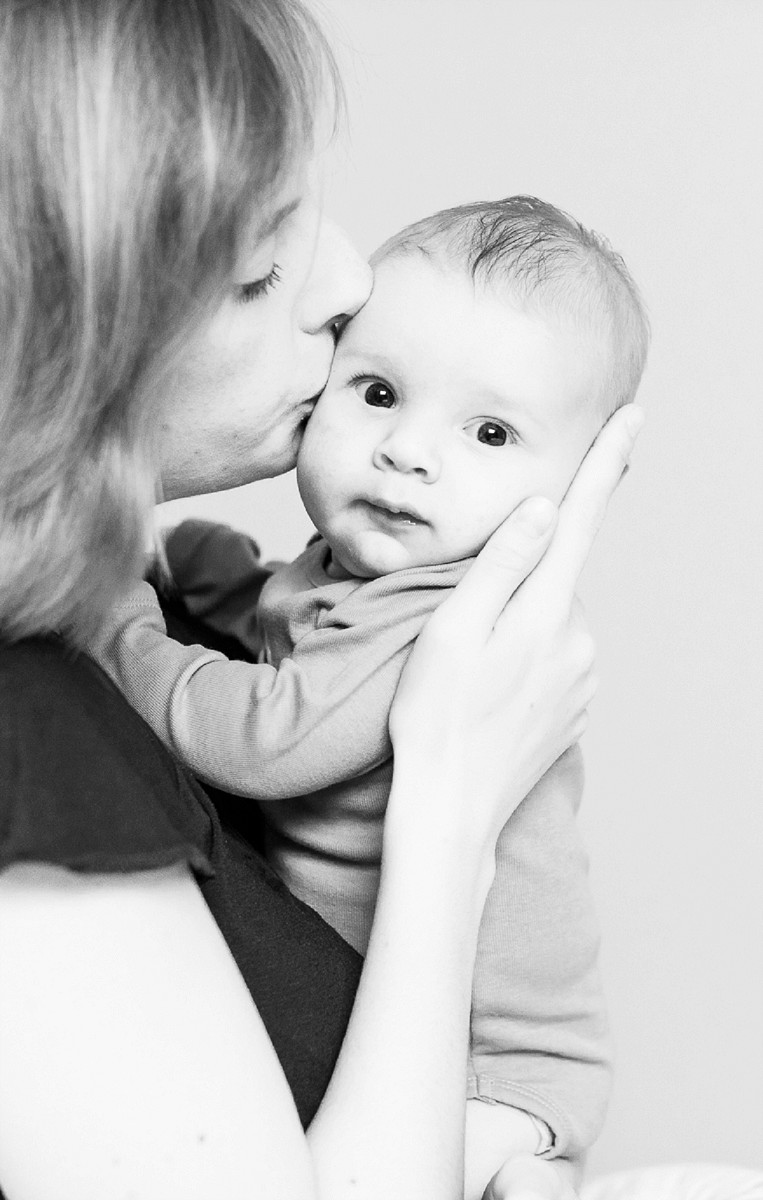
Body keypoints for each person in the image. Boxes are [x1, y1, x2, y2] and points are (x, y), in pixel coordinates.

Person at [0, 2, 643, 1198]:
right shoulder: (34, 728)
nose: (347, 285)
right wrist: (451, 799)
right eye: (258, 270)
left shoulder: (355, 607)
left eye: (492, 429)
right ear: (60, 340)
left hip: (515, 1082)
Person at [91, 195, 649, 1170]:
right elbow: (291, 619)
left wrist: (127, 626)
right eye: (379, 393)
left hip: (497, 1069)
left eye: (488, 434)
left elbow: (263, 737)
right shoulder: (361, 573)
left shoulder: (436, 616)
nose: (408, 452)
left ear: (576, 480)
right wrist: (218, 572)